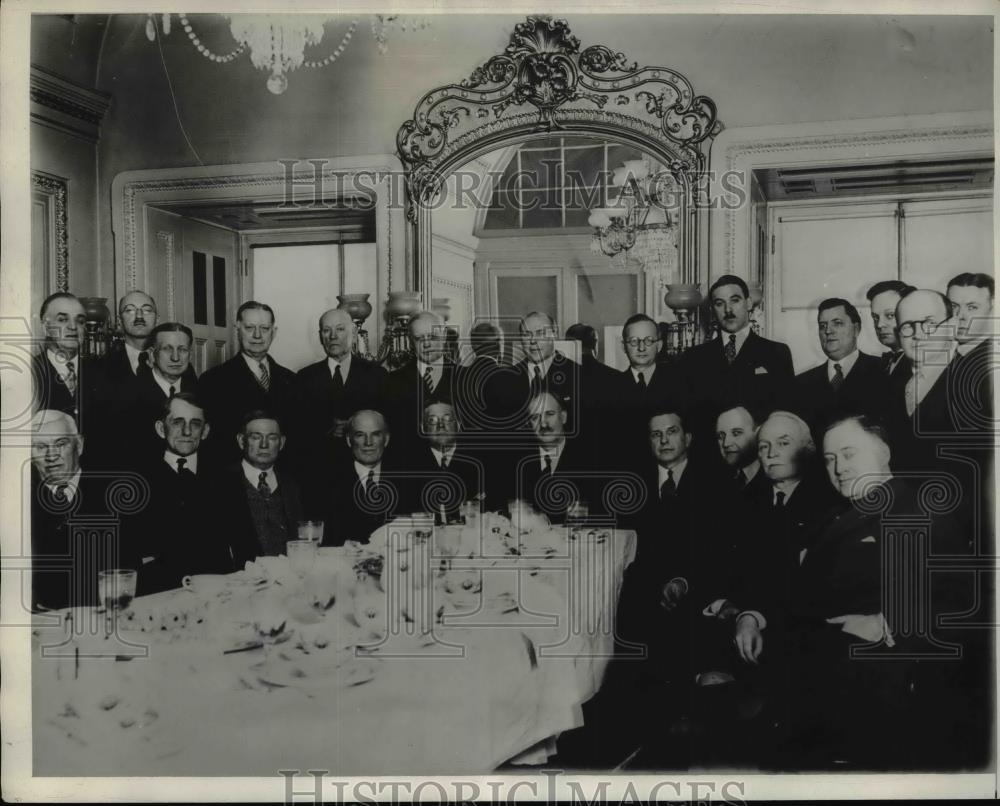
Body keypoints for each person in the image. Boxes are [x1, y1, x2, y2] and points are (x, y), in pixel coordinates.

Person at [783, 415, 971, 768]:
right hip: (823, 688)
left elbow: (962, 603)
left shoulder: (922, 511)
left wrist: (887, 621)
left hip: (883, 698)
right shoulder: (831, 518)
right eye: (829, 458)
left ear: (883, 453)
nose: (839, 467)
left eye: (849, 453)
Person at [28, 410, 142, 611]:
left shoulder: (116, 497)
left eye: (61, 444)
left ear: (79, 445)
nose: (51, 456)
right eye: (40, 447)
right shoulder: (20, 503)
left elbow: (129, 574)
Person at [132, 393, 236, 593]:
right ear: (161, 429)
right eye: (177, 422)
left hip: (215, 591)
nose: (187, 431)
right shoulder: (138, 481)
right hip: (159, 594)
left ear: (205, 431)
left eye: (195, 424)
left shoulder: (224, 478)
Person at [679, 275, 794, 449]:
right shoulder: (694, 358)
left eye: (735, 300)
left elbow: (786, 415)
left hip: (759, 455)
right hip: (711, 458)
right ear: (712, 310)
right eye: (719, 303)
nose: (728, 309)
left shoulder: (776, 353)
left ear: (748, 303)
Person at [199, 301, 297, 468]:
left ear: (274, 332)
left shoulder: (292, 380)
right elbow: (211, 443)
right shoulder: (213, 380)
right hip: (233, 479)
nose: (257, 335)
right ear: (237, 330)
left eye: (264, 329)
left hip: (284, 481)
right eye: (249, 328)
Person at [294, 307, 387, 475]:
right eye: (326, 330)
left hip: (364, 472)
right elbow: (297, 431)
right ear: (320, 336)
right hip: (319, 471)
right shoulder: (304, 378)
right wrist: (327, 428)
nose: (333, 336)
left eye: (340, 329)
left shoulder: (376, 375)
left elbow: (386, 426)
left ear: (353, 333)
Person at [212, 411, 304, 564]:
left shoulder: (293, 486)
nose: (264, 444)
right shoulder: (219, 484)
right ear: (241, 441)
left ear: (281, 443)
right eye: (256, 437)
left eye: (272, 437)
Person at [307, 410, 404, 546]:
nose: (368, 442)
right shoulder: (326, 484)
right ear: (348, 440)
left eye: (375, 434)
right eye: (360, 435)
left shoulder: (406, 482)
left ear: (386, 439)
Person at [792, 297, 887, 435]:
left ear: (856, 329)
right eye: (822, 325)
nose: (828, 331)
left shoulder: (883, 370)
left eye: (837, 323)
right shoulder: (801, 383)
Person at [488, 311, 583, 438]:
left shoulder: (578, 375)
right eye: (527, 335)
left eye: (540, 333)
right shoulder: (504, 380)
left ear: (554, 334)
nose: (533, 341)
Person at [611, 314, 687, 464]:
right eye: (634, 341)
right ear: (623, 346)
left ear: (659, 345)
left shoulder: (680, 383)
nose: (641, 347)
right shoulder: (611, 388)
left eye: (648, 341)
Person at [512, 391, 597, 523]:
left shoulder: (590, 461)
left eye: (550, 414)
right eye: (535, 418)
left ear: (563, 417)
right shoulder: (515, 462)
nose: (543, 424)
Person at [381, 311, 458, 455]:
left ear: (444, 335)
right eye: (419, 338)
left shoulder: (466, 378)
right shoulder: (392, 381)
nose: (427, 344)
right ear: (410, 341)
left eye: (432, 337)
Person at [125, 322, 199, 462]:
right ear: (152, 355)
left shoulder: (200, 394)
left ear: (190, 355)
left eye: (182, 349)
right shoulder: (130, 395)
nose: (175, 357)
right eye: (167, 349)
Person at [31, 293, 101, 435]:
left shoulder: (102, 372)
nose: (73, 326)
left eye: (80, 321)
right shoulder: (29, 372)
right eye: (62, 319)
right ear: (45, 327)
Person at [406, 402, 490, 521]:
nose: (441, 425)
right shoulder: (409, 468)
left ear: (459, 425)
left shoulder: (481, 464)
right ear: (423, 428)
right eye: (432, 420)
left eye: (448, 419)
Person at [715, 405, 769, 502]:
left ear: (758, 433)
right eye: (720, 436)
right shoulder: (715, 481)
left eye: (736, 433)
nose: (726, 443)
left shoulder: (777, 478)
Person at [866, 280, 914, 380]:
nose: (879, 325)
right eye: (875, 317)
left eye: (890, 315)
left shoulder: (919, 363)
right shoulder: (884, 363)